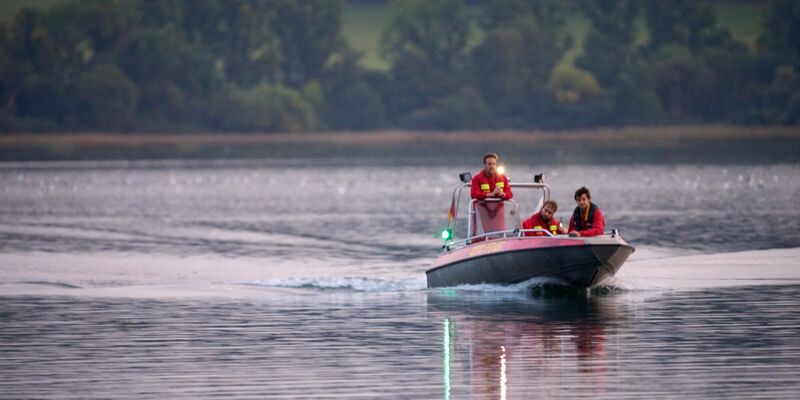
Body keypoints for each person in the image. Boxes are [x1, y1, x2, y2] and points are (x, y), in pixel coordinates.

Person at [470, 153, 513, 240]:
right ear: (485, 165)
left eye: (494, 164)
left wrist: (503, 194)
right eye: (489, 164)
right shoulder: (477, 178)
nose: (492, 166)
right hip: (482, 213)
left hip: (499, 213)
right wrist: (491, 194)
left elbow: (510, 194)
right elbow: (474, 194)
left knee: (500, 235)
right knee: (481, 236)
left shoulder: (503, 178)